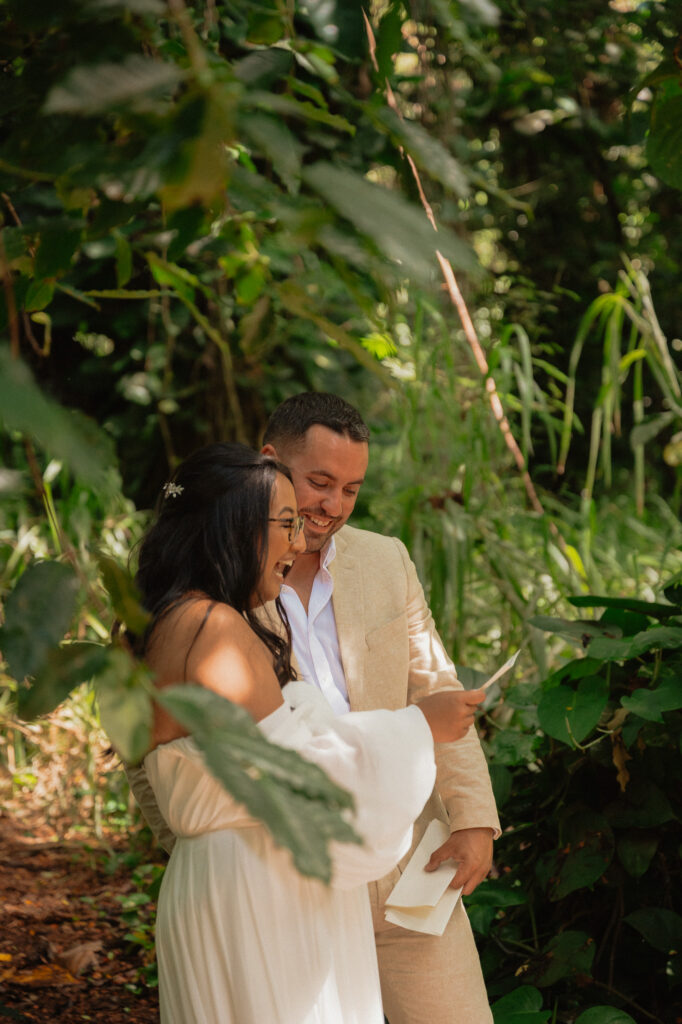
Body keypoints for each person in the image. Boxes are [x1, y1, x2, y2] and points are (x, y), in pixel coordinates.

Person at [130, 441, 488, 1024]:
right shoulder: (217, 629)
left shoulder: (165, 624)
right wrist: (419, 727)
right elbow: (299, 778)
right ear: (235, 524)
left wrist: (473, 816)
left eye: (352, 489)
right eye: (288, 521)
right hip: (267, 888)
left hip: (306, 880)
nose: (300, 539)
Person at [259, 393, 501, 1024]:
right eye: (318, 482)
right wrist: (193, 854)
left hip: (410, 860)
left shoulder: (385, 558)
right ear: (269, 462)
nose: (333, 506)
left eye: (351, 489)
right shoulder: (219, 574)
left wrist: (474, 817)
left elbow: (435, 690)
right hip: (287, 871)